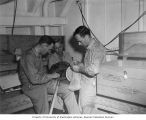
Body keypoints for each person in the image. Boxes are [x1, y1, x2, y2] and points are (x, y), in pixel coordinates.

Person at [18, 35, 80, 114]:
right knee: (44, 111)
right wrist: (51, 76)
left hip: (42, 83)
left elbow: (40, 75)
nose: (49, 52)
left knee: (68, 89)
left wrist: (51, 77)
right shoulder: (28, 56)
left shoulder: (38, 54)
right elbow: (34, 79)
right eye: (49, 49)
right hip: (31, 86)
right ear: (44, 45)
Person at [71, 26, 106, 114]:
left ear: (86, 37)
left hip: (91, 85)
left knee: (86, 110)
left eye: (80, 41)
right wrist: (80, 64)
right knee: (84, 110)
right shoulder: (90, 47)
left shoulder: (96, 49)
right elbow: (89, 66)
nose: (79, 44)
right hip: (87, 84)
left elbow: (93, 70)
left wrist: (79, 69)